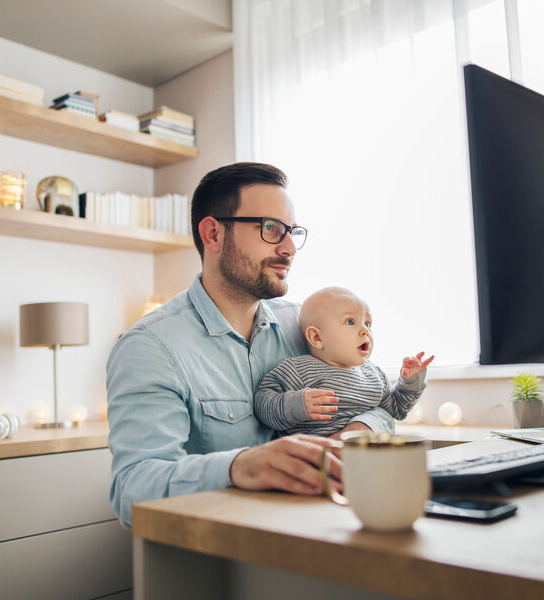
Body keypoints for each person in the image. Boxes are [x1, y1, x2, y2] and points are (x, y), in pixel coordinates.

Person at [105, 163, 395, 527]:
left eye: (292, 232)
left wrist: (357, 432)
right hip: (225, 551)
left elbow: (382, 404)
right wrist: (239, 467)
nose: (289, 248)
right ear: (213, 234)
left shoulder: (306, 327)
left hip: (325, 530)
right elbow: (132, 490)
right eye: (270, 229)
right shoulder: (150, 347)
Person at [254, 286, 433, 436]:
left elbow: (397, 409)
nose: (365, 331)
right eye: (350, 322)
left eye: (367, 323)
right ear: (316, 337)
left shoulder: (375, 375)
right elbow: (262, 403)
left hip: (365, 458)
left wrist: (410, 381)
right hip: (313, 459)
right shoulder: (297, 370)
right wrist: (296, 404)